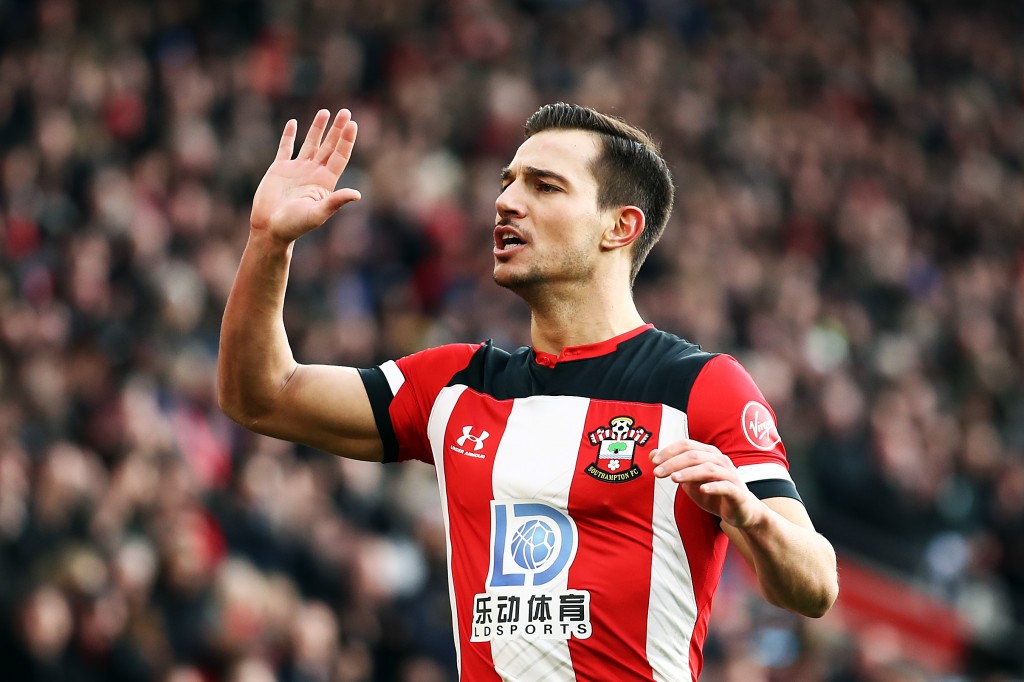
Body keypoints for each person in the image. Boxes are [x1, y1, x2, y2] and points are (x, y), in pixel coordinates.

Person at [218, 104, 839, 681]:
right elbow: (262, 395)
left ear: (620, 227)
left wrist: (749, 514)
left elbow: (814, 587)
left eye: (545, 186)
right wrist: (269, 244)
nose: (507, 201)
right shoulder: (454, 385)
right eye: (508, 181)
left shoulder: (700, 387)